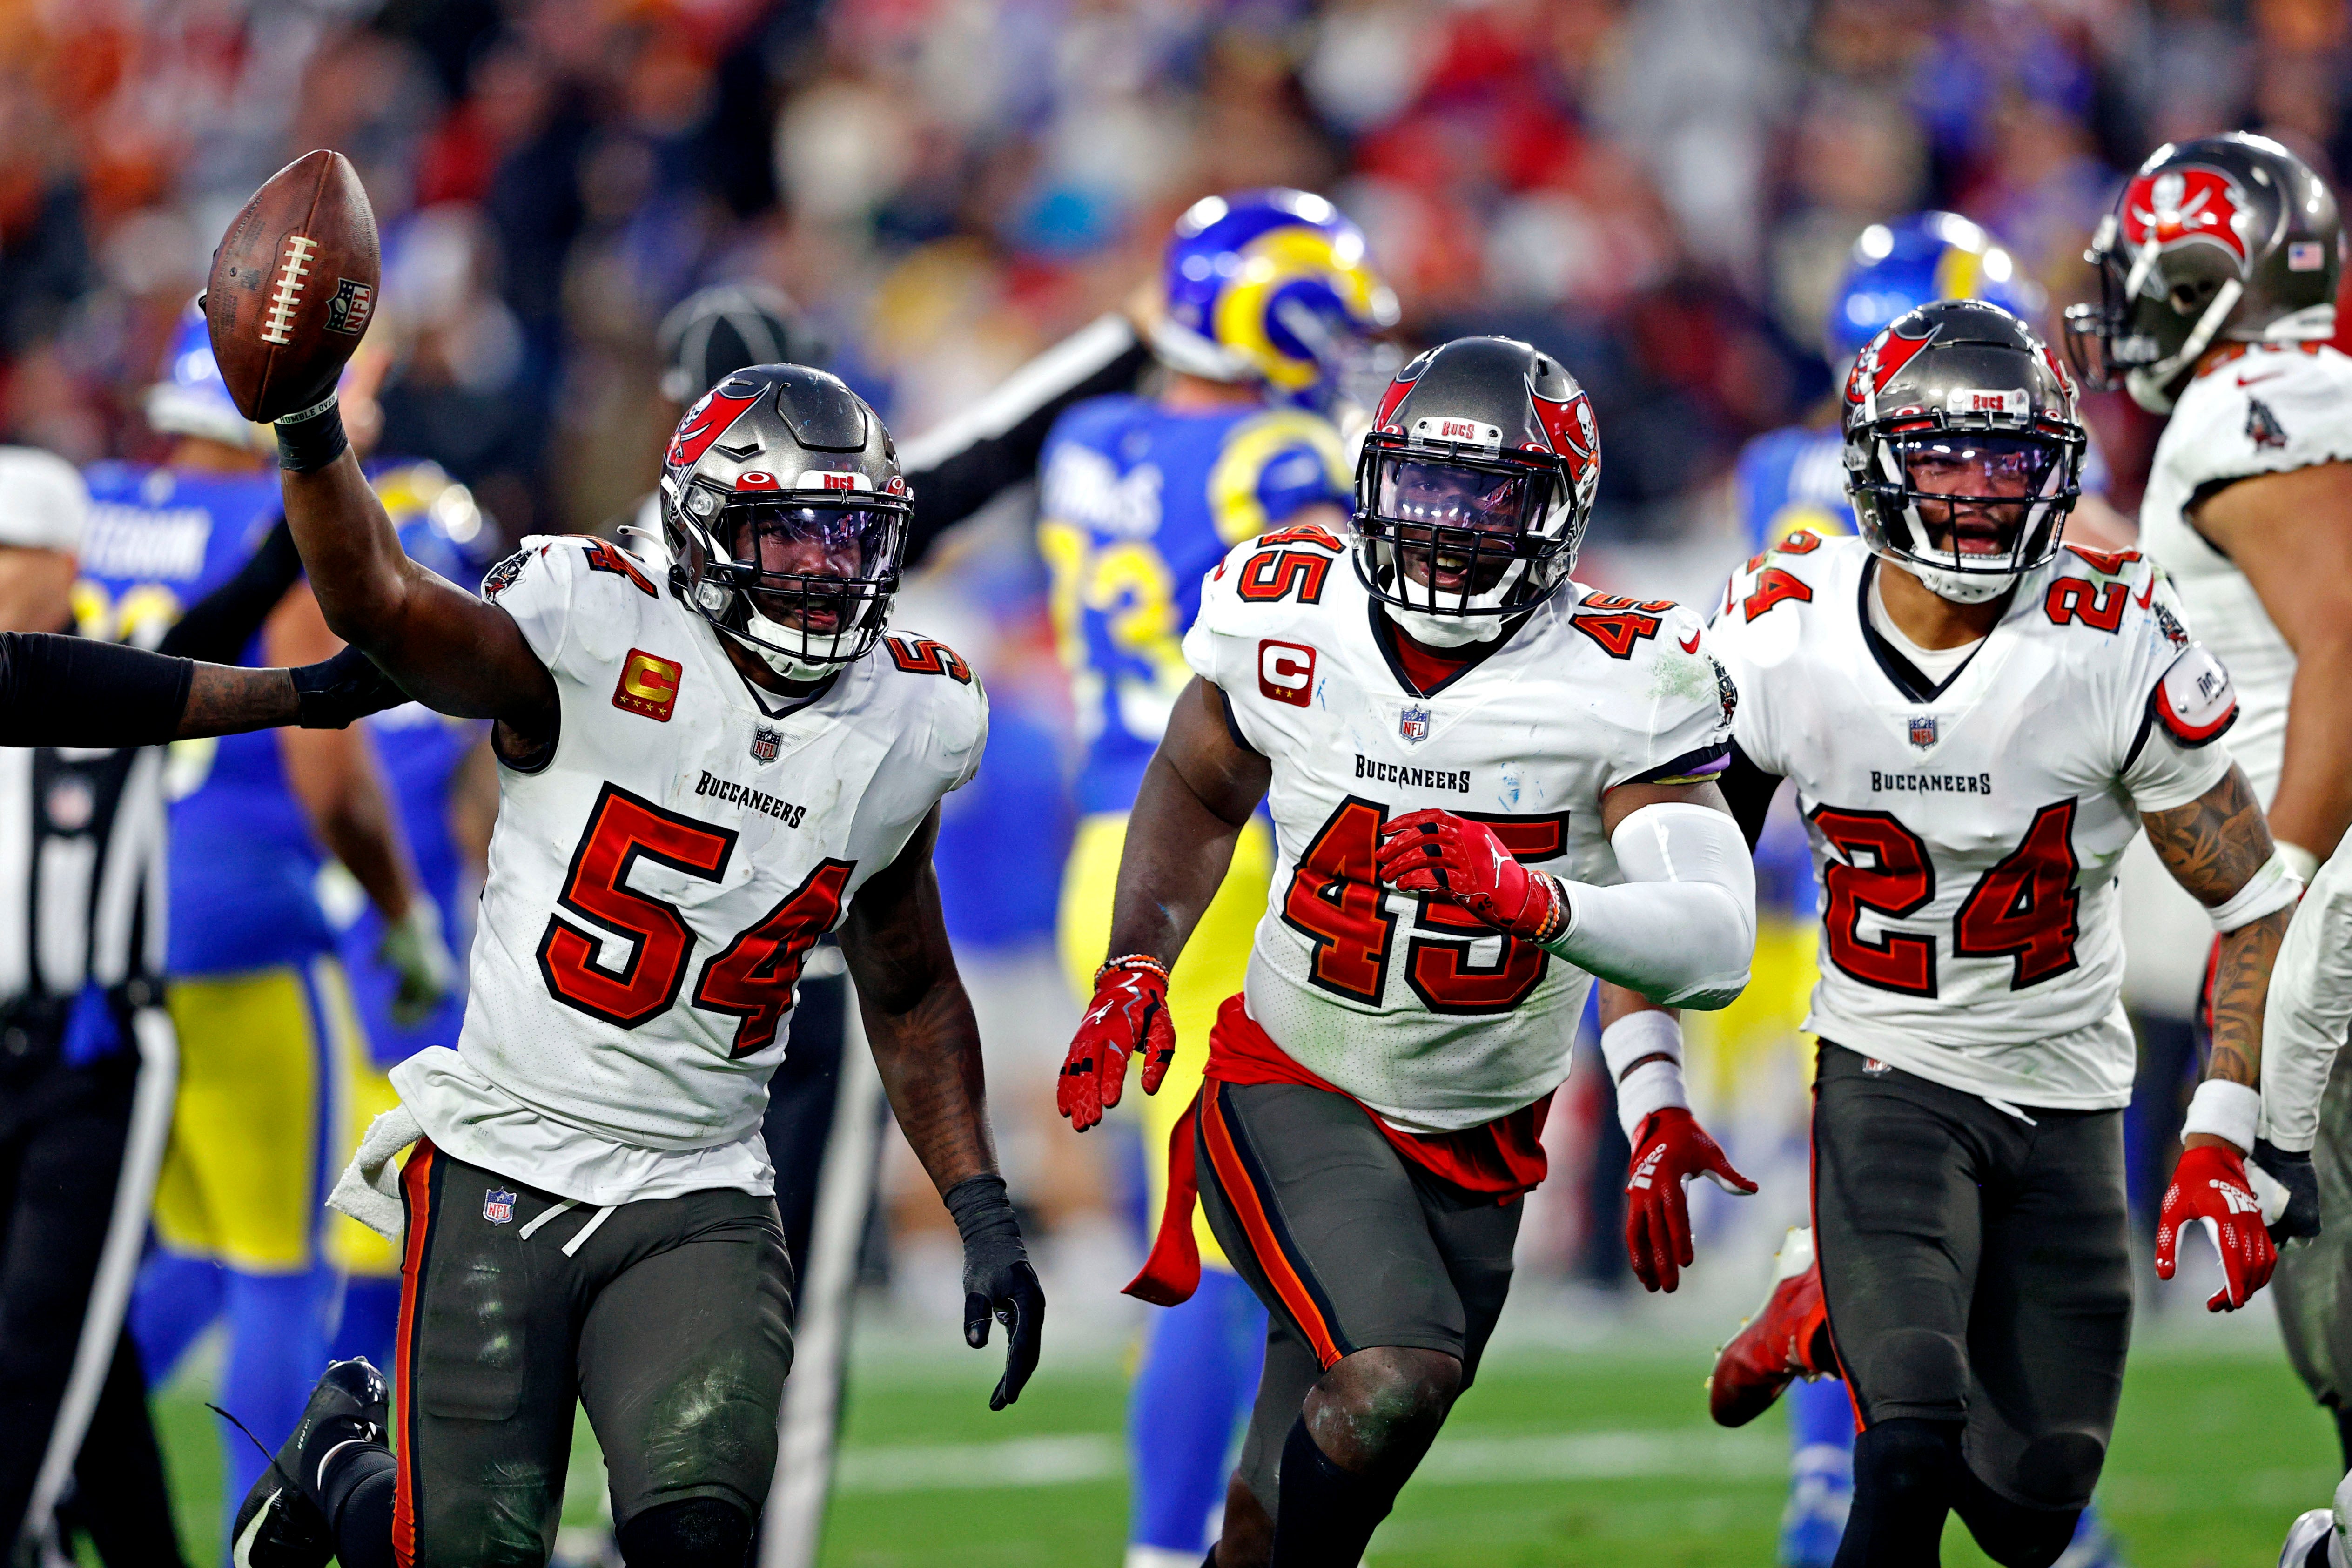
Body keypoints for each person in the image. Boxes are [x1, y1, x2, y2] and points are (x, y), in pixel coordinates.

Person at [158, 348, 1046, 1568]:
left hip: (701, 1188)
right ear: (700, 530)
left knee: (700, 1533)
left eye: (849, 536)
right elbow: (377, 602)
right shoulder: (584, 625)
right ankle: (337, 1466)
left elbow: (907, 975)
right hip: (504, 1155)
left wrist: (978, 1200)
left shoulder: (908, 719)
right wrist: (311, 425)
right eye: (787, 535)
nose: (825, 571)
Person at [1060, 335, 1757, 1567]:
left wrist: (1539, 906)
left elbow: (1709, 939)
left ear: (1559, 512)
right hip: (1289, 1078)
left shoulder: (1627, 670)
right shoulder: (1286, 610)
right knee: (1394, 1371)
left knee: (1300, 1506)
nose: (1442, 527)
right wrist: (1137, 962)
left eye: (1484, 498)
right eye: (1421, 488)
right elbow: (1194, 780)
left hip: (1480, 1134)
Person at [1700, 299, 2298, 1568]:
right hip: (1883, 1070)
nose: (1978, 493)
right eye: (1944, 457)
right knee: (1906, 1430)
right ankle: (1856, 1288)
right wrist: (1647, 1086)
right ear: (1871, 461)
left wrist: (2219, 1122)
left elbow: (2249, 899)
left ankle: (1831, 1300)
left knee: (2035, 1507)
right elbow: (1670, 865)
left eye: (2010, 460)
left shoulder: (2110, 636)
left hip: (2062, 1089)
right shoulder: (1780, 626)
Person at [1721, 212, 2125, 1568]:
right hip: (1934, 867)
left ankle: (1835, 1466)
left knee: (1862, 1194)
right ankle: (1860, 1459)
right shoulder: (1942, 495)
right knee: (1894, 1201)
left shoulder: (1782, 467)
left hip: (1825, 866)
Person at [1036, 187, 1392, 1568]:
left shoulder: (1089, 435)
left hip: (1106, 852)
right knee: (1237, 1251)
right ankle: (1170, 1545)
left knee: (1206, 1225)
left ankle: (1186, 1530)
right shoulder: (1278, 452)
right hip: (1222, 858)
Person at [78, 313, 451, 1549]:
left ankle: (53, 1466)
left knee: (175, 1240)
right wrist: (403, 916)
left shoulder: (82, 504)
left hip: (87, 924)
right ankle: (279, 1534)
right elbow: (328, 776)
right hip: (231, 917)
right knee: (283, 1255)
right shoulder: (276, 523)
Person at [0, 444, 402, 1568]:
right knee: (92, 1341)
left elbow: (184, 644)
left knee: (58, 1330)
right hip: (78, 1038)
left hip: (84, 1050)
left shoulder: (81, 674)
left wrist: (310, 440)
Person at [2064, 130, 2352, 1467]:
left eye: (2141, 278)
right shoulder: (2296, 400)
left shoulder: (2242, 406)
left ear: (2199, 277)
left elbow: (2342, 635)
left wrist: (2278, 888)